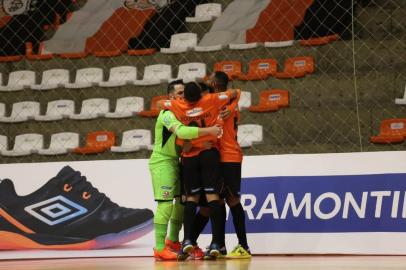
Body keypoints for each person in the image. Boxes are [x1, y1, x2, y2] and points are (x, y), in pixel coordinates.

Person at [163, 82, 239, 259]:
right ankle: (216, 243)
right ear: (200, 95)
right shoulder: (211, 100)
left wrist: (173, 102)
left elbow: (161, 105)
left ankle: (188, 240)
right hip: (209, 154)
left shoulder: (178, 105)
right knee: (214, 198)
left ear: (186, 98)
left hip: (190, 158)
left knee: (191, 198)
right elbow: (235, 93)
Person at [149, 80, 222, 260]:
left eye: (184, 93)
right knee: (165, 206)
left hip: (177, 162)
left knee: (181, 206)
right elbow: (181, 133)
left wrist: (196, 145)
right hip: (162, 163)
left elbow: (184, 143)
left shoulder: (183, 113)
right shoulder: (166, 114)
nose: (184, 97)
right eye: (180, 94)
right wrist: (209, 131)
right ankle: (159, 247)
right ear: (171, 97)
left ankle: (173, 241)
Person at [190, 72, 251, 259]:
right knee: (216, 202)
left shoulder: (217, 102)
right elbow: (237, 92)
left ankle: (243, 246)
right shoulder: (227, 102)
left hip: (229, 156)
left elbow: (236, 92)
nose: (207, 83)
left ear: (215, 84)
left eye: (210, 81)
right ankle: (219, 245)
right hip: (219, 156)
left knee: (232, 200)